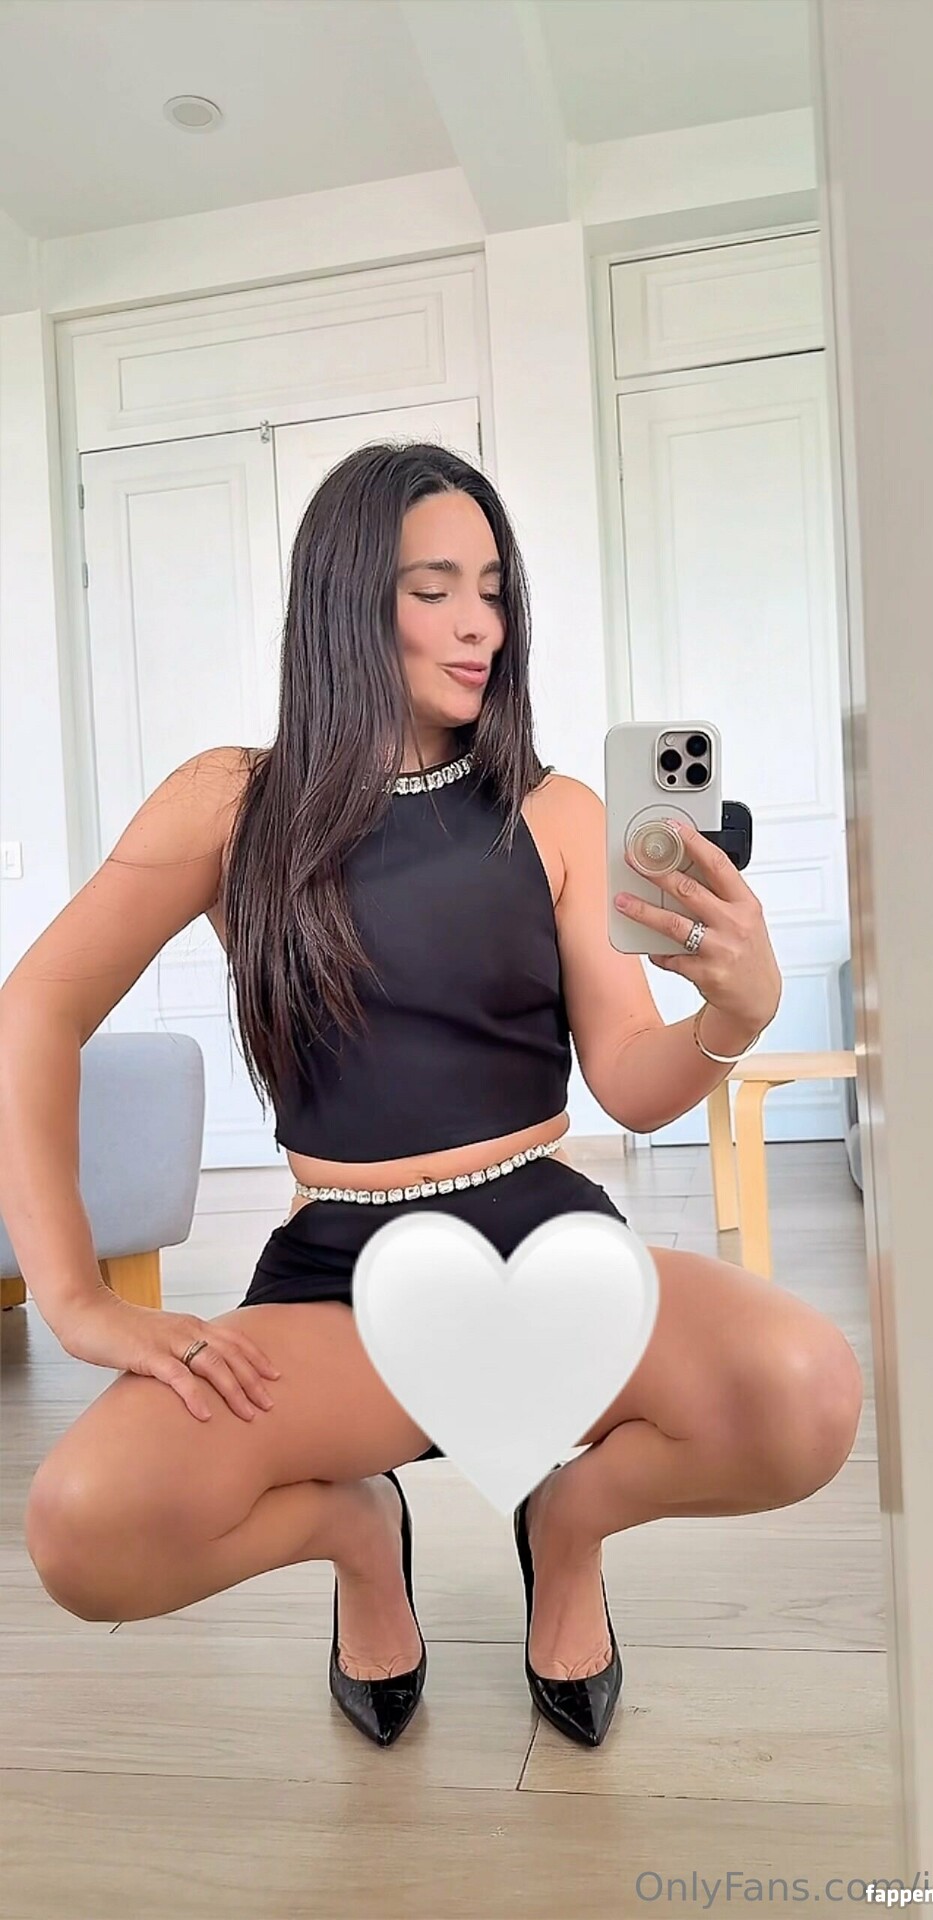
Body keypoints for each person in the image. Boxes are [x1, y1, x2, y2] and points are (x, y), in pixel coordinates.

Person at [1, 442, 863, 1752]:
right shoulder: (232, 804)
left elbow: (631, 1085)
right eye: (435, 589)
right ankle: (359, 1535)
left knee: (809, 1395)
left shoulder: (559, 813)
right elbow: (36, 1010)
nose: (480, 626)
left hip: (547, 1241)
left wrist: (731, 1019)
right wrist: (72, 1297)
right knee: (83, 1532)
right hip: (339, 1282)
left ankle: (565, 1528)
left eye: (495, 592)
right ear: (350, 600)